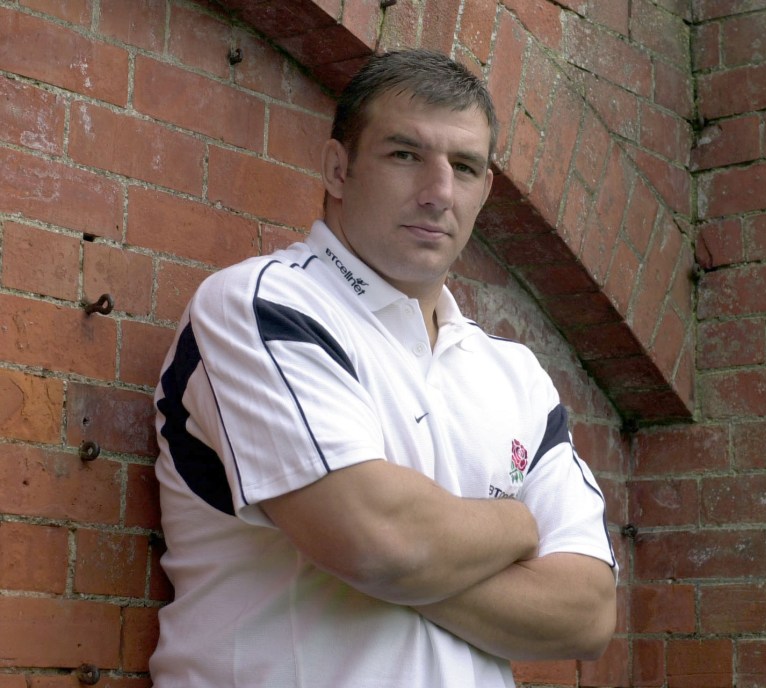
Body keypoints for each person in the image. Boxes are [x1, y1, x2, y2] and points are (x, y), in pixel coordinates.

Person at [150, 48, 617, 688]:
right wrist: (517, 523)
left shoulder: (515, 375)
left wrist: (394, 557)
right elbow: (380, 543)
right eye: (405, 155)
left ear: (485, 189)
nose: (438, 193)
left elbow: (586, 615)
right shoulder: (264, 306)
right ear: (338, 169)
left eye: (465, 166)